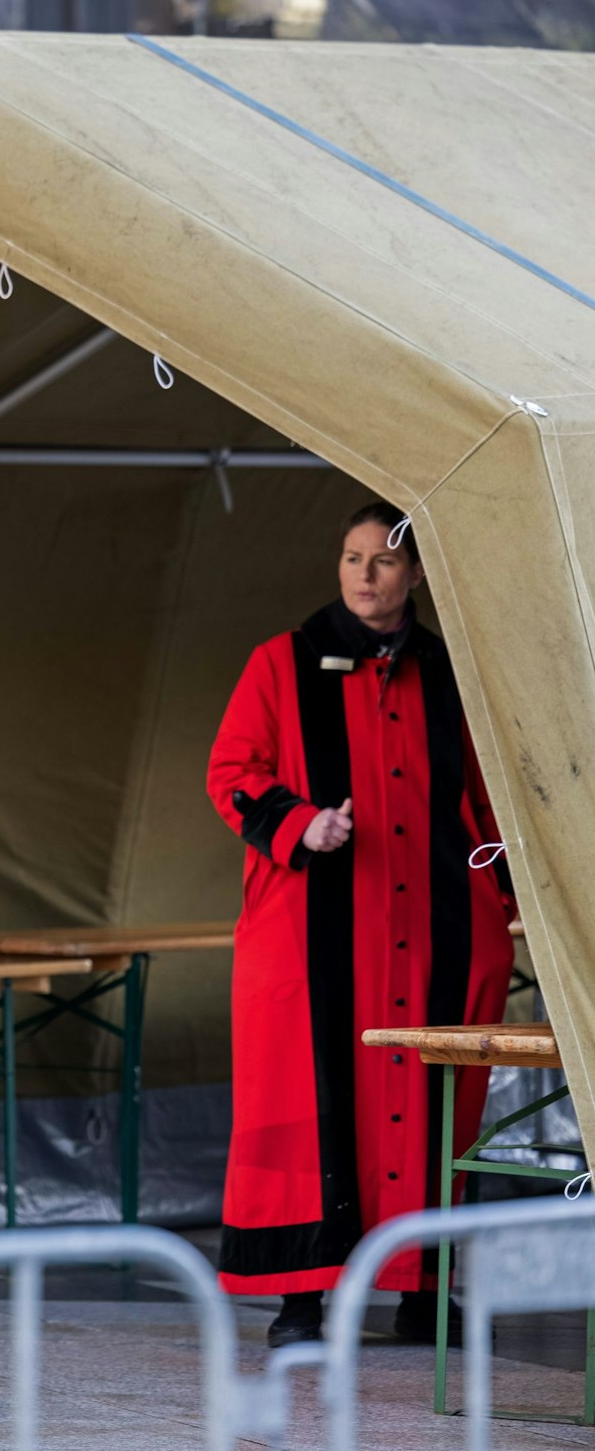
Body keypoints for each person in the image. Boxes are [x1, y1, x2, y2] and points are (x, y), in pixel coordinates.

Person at [207, 501, 515, 1348]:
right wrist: (302, 823)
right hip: (311, 938)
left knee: (437, 1108)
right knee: (303, 1108)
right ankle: (299, 1298)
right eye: (351, 558)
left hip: (439, 934)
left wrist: (516, 899)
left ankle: (424, 1291)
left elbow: (492, 797)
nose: (364, 575)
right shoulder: (281, 664)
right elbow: (231, 772)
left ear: (415, 574)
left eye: (382, 561)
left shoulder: (450, 672)